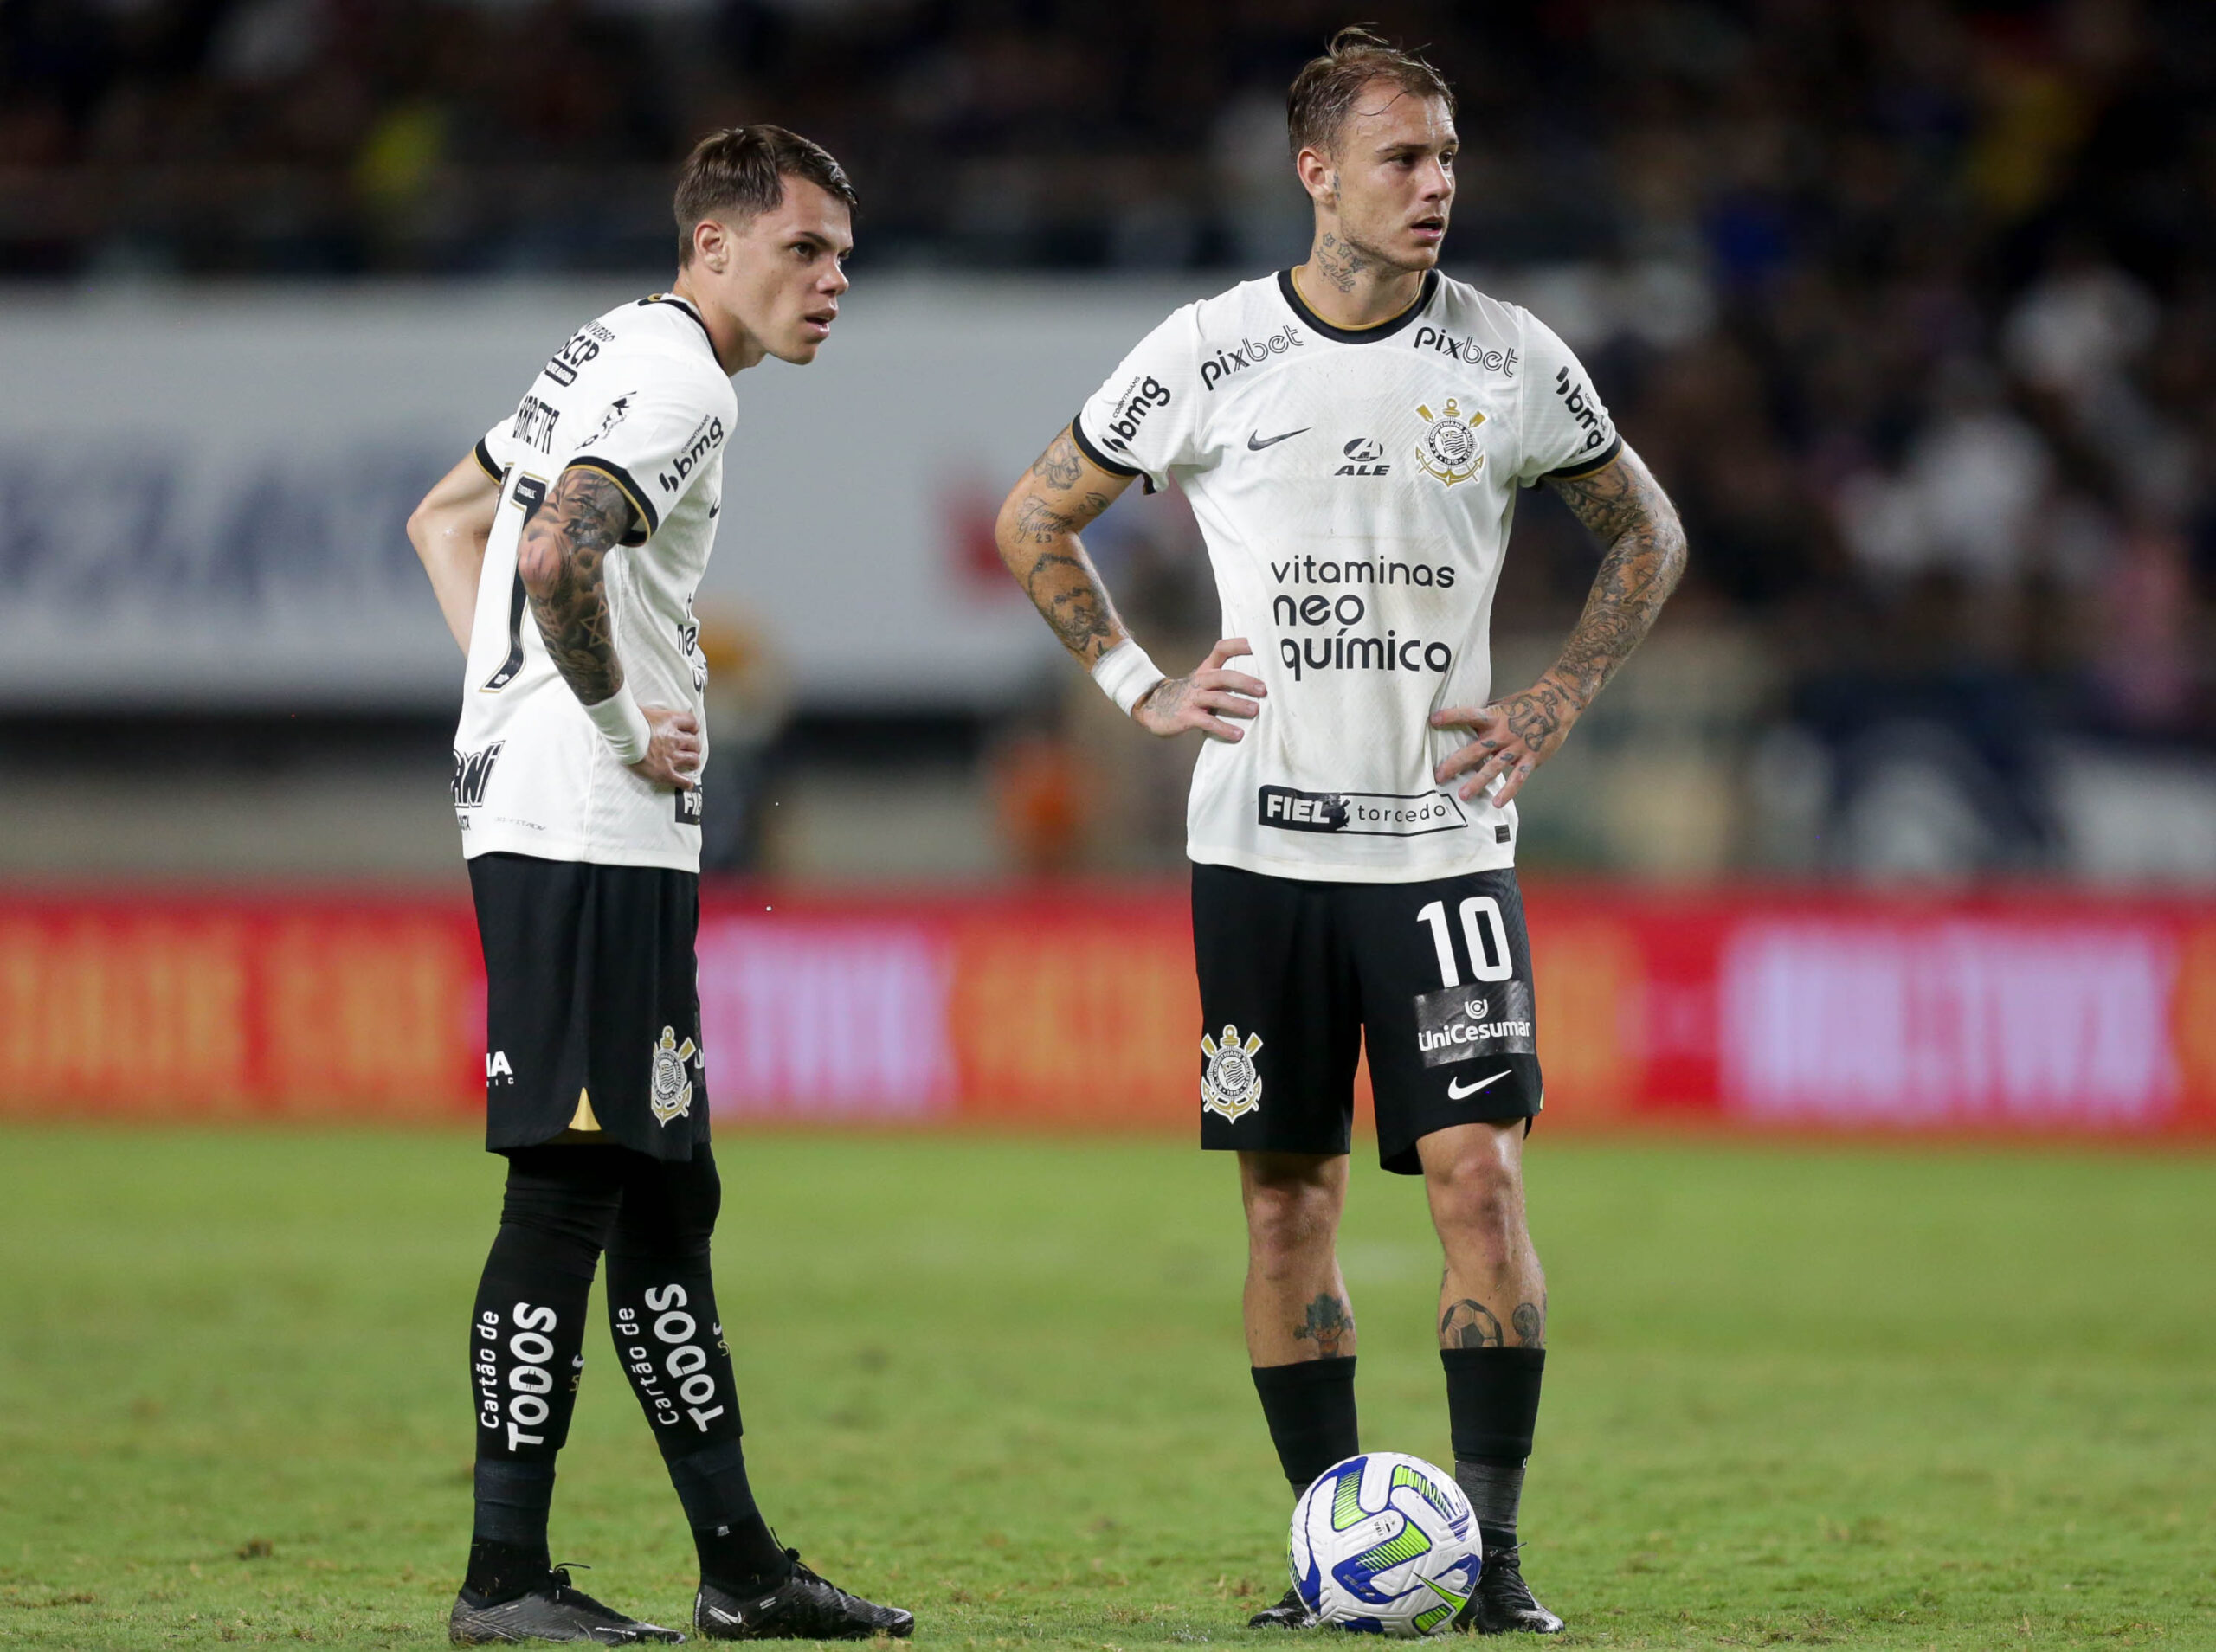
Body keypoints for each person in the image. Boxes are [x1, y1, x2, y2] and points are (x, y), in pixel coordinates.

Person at [992, 29, 1686, 1637]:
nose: (1437, 184)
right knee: (1286, 1201)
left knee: (1480, 1184)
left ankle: (1495, 1565)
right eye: (1403, 157)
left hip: (1442, 850)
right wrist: (1134, 683)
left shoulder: (1511, 359)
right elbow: (1037, 512)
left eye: (1448, 157)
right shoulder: (1212, 351)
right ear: (1316, 173)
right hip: (1260, 854)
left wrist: (1561, 694)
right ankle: (1333, 1555)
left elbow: (1643, 528)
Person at [406, 125, 914, 1647]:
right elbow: (554, 548)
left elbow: (452, 521)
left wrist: (516, 701)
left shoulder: (606, 352)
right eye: (804, 248)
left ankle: (741, 1566)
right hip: (584, 829)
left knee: (666, 1194)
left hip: (581, 819)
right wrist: (615, 726)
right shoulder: (683, 381)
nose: (834, 280)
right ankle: (503, 1581)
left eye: (844, 254)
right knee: (567, 1192)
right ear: (714, 245)